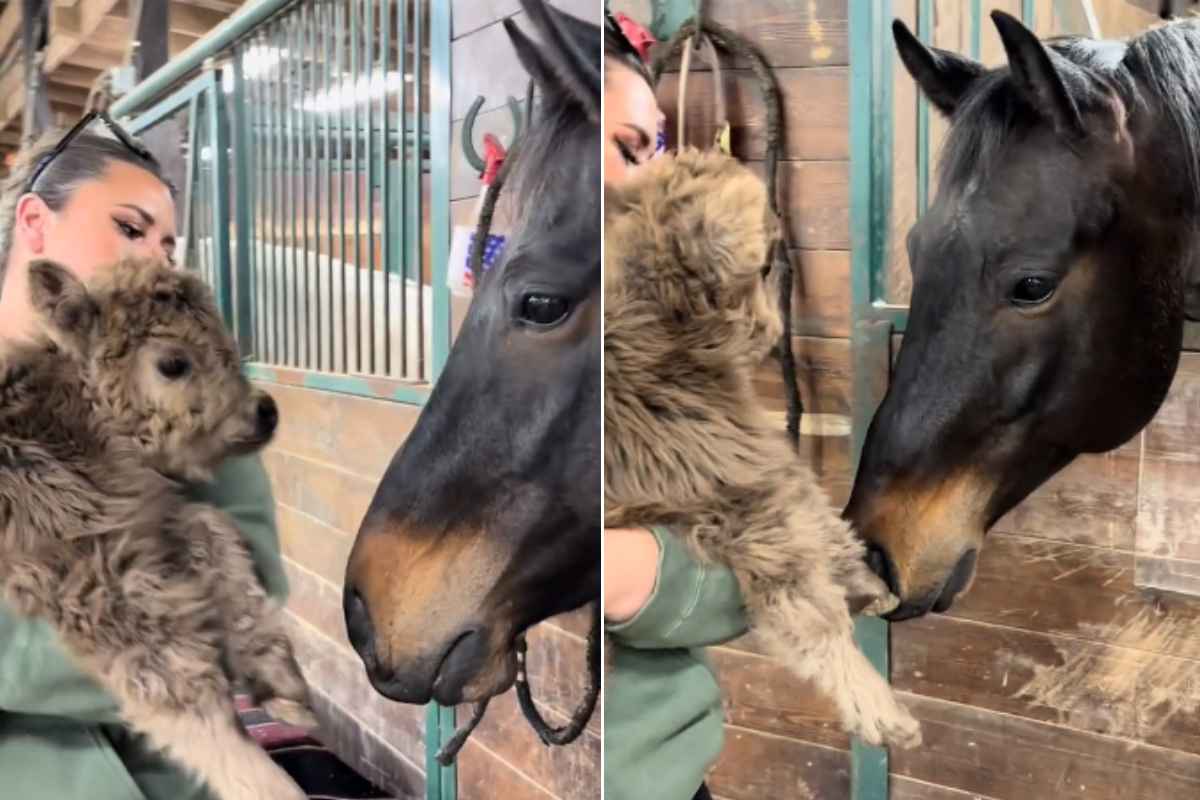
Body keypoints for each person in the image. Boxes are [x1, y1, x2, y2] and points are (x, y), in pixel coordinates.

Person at [0, 118, 287, 800]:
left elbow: (242, 597)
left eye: (167, 244)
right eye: (130, 229)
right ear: (36, 222)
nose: (156, 259)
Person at [602, 15, 749, 800]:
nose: (652, 176)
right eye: (631, 148)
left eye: (651, 148)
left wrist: (637, 576)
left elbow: (755, 562)